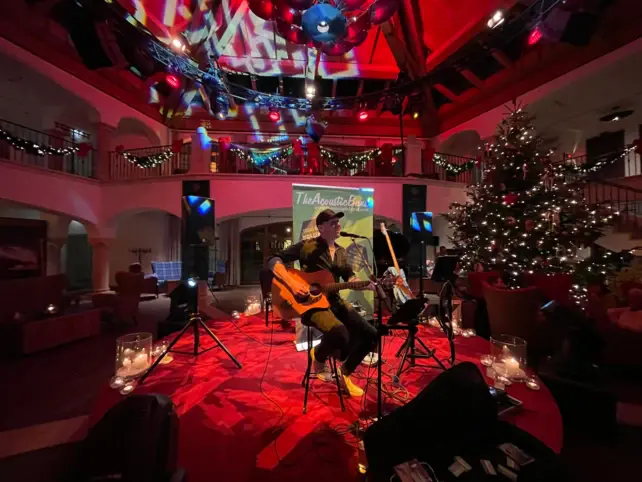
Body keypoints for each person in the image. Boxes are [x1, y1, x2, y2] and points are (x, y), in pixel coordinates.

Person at [267, 209, 377, 397]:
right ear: (321, 227)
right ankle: (318, 355)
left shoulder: (342, 252)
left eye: (338, 222)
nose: (338, 225)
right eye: (333, 222)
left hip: (334, 301)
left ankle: (345, 373)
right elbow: (273, 260)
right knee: (339, 333)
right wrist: (292, 283)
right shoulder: (306, 247)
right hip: (311, 304)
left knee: (371, 334)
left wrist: (361, 284)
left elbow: (348, 276)